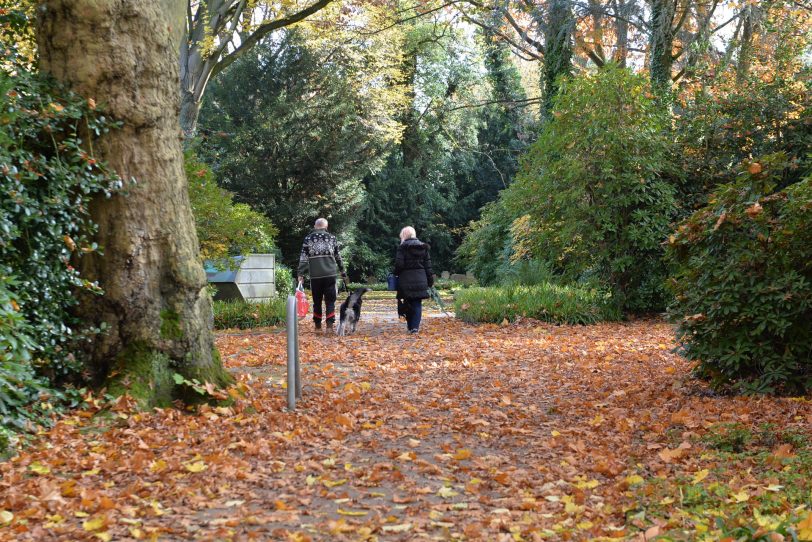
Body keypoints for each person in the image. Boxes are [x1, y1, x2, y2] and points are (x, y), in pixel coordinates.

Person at [297, 218, 347, 331]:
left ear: (315, 226)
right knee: (330, 301)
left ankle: (318, 326)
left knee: (317, 301)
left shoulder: (308, 239)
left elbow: (303, 258)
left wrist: (301, 274)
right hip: (330, 275)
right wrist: (343, 271)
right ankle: (329, 326)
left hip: (315, 276)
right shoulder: (332, 238)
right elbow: (338, 257)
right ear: (326, 227)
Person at [394, 226, 433, 334]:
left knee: (407, 303)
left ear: (404, 235)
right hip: (421, 279)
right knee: (417, 303)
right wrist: (430, 281)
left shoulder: (402, 248)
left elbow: (399, 265)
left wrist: (395, 274)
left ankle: (410, 327)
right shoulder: (423, 247)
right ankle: (415, 328)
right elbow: (428, 267)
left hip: (405, 280)